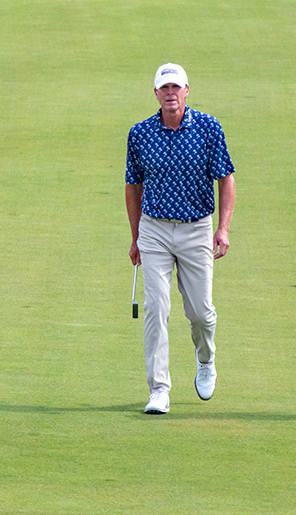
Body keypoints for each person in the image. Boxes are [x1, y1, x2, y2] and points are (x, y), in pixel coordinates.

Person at [125, 63, 236, 414]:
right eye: (164, 88)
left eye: (176, 87)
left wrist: (223, 228)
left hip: (196, 227)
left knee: (201, 312)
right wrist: (135, 237)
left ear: (187, 90)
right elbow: (133, 186)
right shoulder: (140, 133)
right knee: (157, 309)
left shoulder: (208, 127)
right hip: (154, 229)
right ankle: (159, 389)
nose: (170, 93)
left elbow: (226, 178)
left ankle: (205, 360)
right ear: (155, 94)